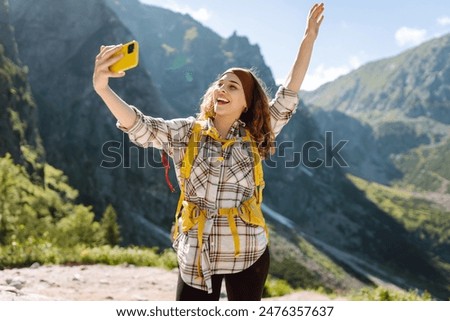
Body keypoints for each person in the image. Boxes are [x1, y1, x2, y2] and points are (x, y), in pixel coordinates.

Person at [93, 3, 324, 301]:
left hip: (248, 254)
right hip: (196, 255)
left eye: (233, 86)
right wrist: (103, 89)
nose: (222, 89)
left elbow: (289, 91)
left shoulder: (255, 135)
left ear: (247, 103)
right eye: (220, 84)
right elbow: (140, 126)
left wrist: (308, 38)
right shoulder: (186, 132)